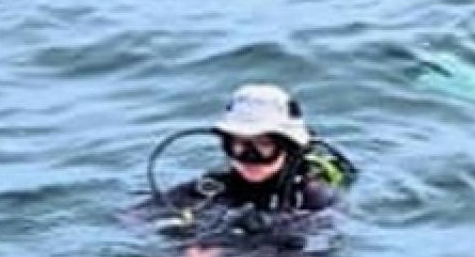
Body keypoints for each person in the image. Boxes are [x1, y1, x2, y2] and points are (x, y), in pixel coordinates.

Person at [151, 82, 356, 229]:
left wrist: (278, 226)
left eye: (264, 146)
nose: (249, 157)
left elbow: (324, 239)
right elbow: (136, 218)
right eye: (239, 145)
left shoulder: (314, 197)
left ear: (289, 147)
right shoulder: (212, 187)